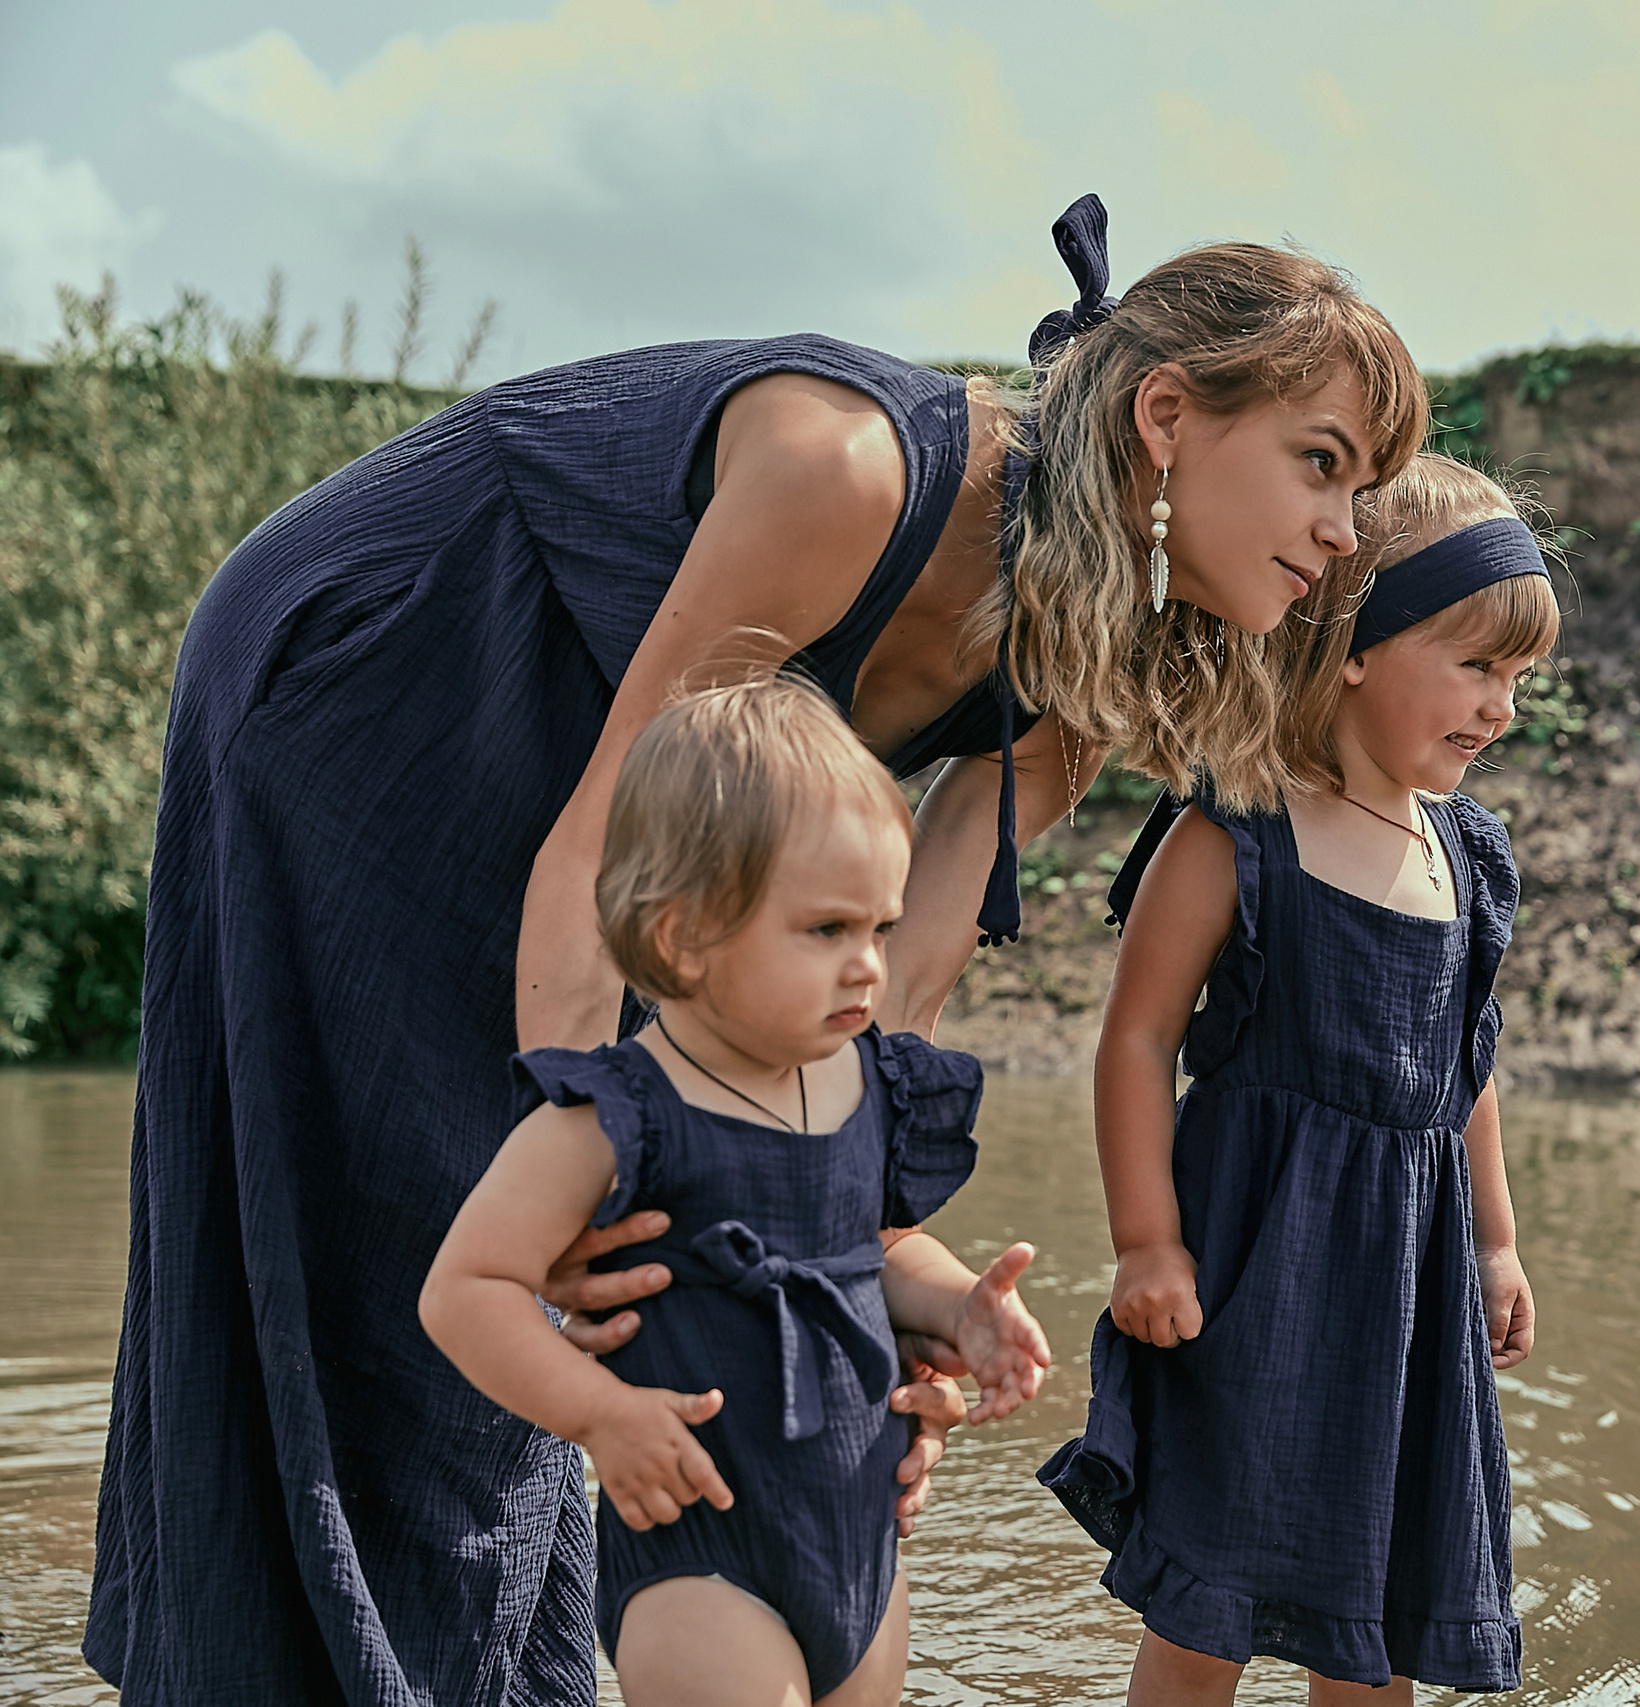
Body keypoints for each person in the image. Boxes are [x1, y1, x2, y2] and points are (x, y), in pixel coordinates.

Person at [87, 195, 1428, 1705]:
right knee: (436, 1229)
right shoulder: (846, 466)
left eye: (1366, 487)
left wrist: (850, 1300)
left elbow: (860, 1021)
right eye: (1324, 463)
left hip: (592, 788)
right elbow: (600, 843)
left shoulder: (1077, 687)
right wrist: (595, 1170)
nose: (1344, 525)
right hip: (378, 668)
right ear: (1168, 417)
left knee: (612, 1271)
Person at [421, 673, 1051, 1706]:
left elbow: (876, 1249)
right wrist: (599, 1417)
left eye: (880, 929)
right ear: (684, 936)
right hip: (698, 1548)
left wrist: (957, 1307)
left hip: (857, 1539)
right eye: (826, 931)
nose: (867, 968)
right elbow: (466, 1289)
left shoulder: (871, 1087)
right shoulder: (613, 1113)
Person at [1040, 454, 1559, 1702]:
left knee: (1381, 1592)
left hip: (1407, 1276)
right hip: (1253, 1259)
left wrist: (1495, 1243)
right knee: (1209, 1590)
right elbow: (1135, 1038)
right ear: (1360, 642)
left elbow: (1463, 1065)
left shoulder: (1470, 859)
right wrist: (1145, 1244)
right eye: (1477, 666)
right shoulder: (1239, 825)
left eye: (1518, 680)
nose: (1500, 709)